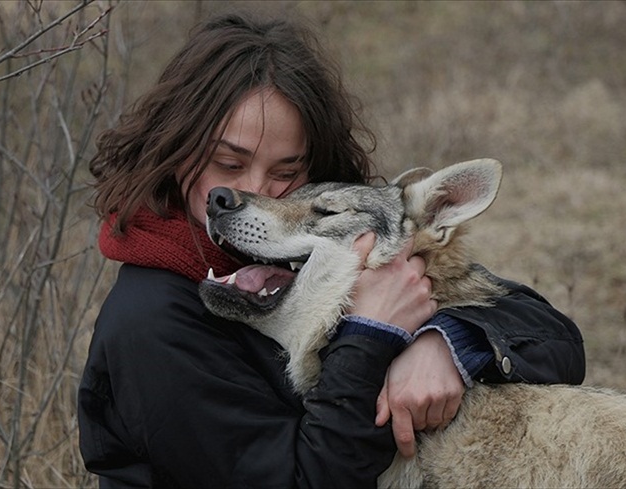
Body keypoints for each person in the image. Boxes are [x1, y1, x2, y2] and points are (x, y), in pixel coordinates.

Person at [77, 13, 585, 488]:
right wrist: (371, 336)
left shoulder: (311, 256)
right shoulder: (152, 324)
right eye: (228, 164)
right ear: (175, 148)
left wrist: (446, 344)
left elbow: (555, 340)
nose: (260, 193)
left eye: (286, 174)